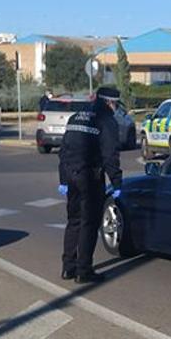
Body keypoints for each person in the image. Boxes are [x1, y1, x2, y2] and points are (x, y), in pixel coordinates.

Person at [58, 86, 123, 283]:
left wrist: (63, 180)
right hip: (90, 178)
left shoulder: (75, 117)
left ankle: (68, 267)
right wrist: (117, 182)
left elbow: (63, 151)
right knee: (89, 223)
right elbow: (110, 155)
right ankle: (83, 270)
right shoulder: (106, 121)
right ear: (110, 102)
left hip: (71, 175)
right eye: (116, 104)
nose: (116, 108)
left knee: (74, 221)